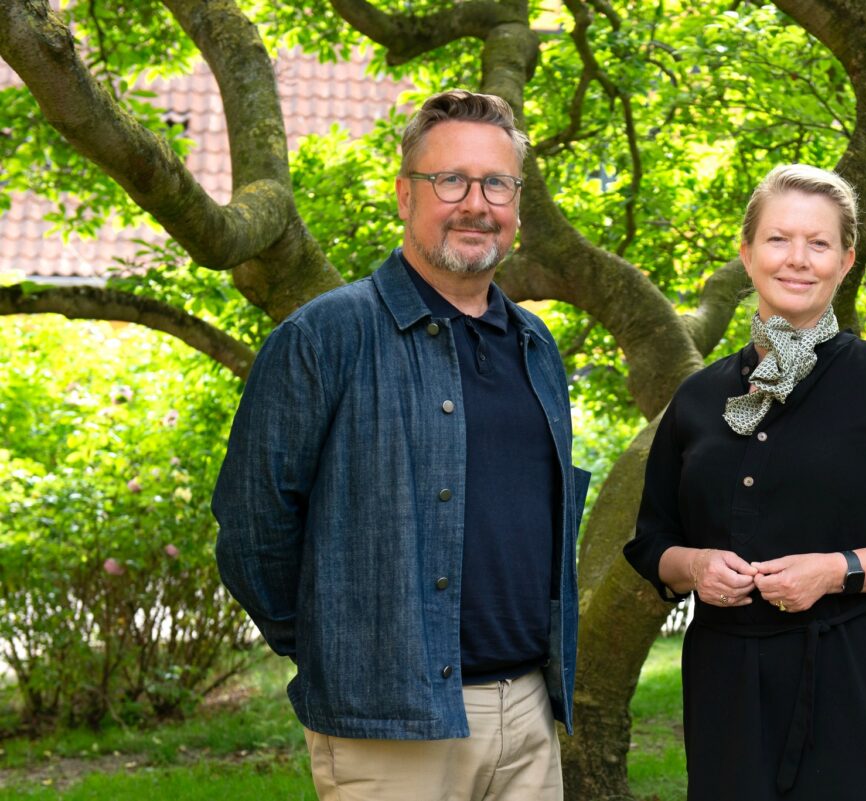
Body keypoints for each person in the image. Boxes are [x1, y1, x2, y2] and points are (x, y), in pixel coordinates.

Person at [213, 90, 590, 801]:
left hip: (529, 716)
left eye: (497, 184)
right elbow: (252, 532)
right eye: (450, 180)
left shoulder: (536, 346)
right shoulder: (325, 337)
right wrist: (343, 647)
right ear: (404, 195)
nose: (475, 203)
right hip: (386, 728)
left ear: (517, 202)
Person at [623, 164, 866, 801]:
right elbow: (652, 542)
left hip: (854, 682)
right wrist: (696, 565)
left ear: (845, 262)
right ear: (747, 254)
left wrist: (836, 570)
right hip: (726, 688)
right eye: (779, 239)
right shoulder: (699, 397)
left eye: (819, 244)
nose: (798, 260)